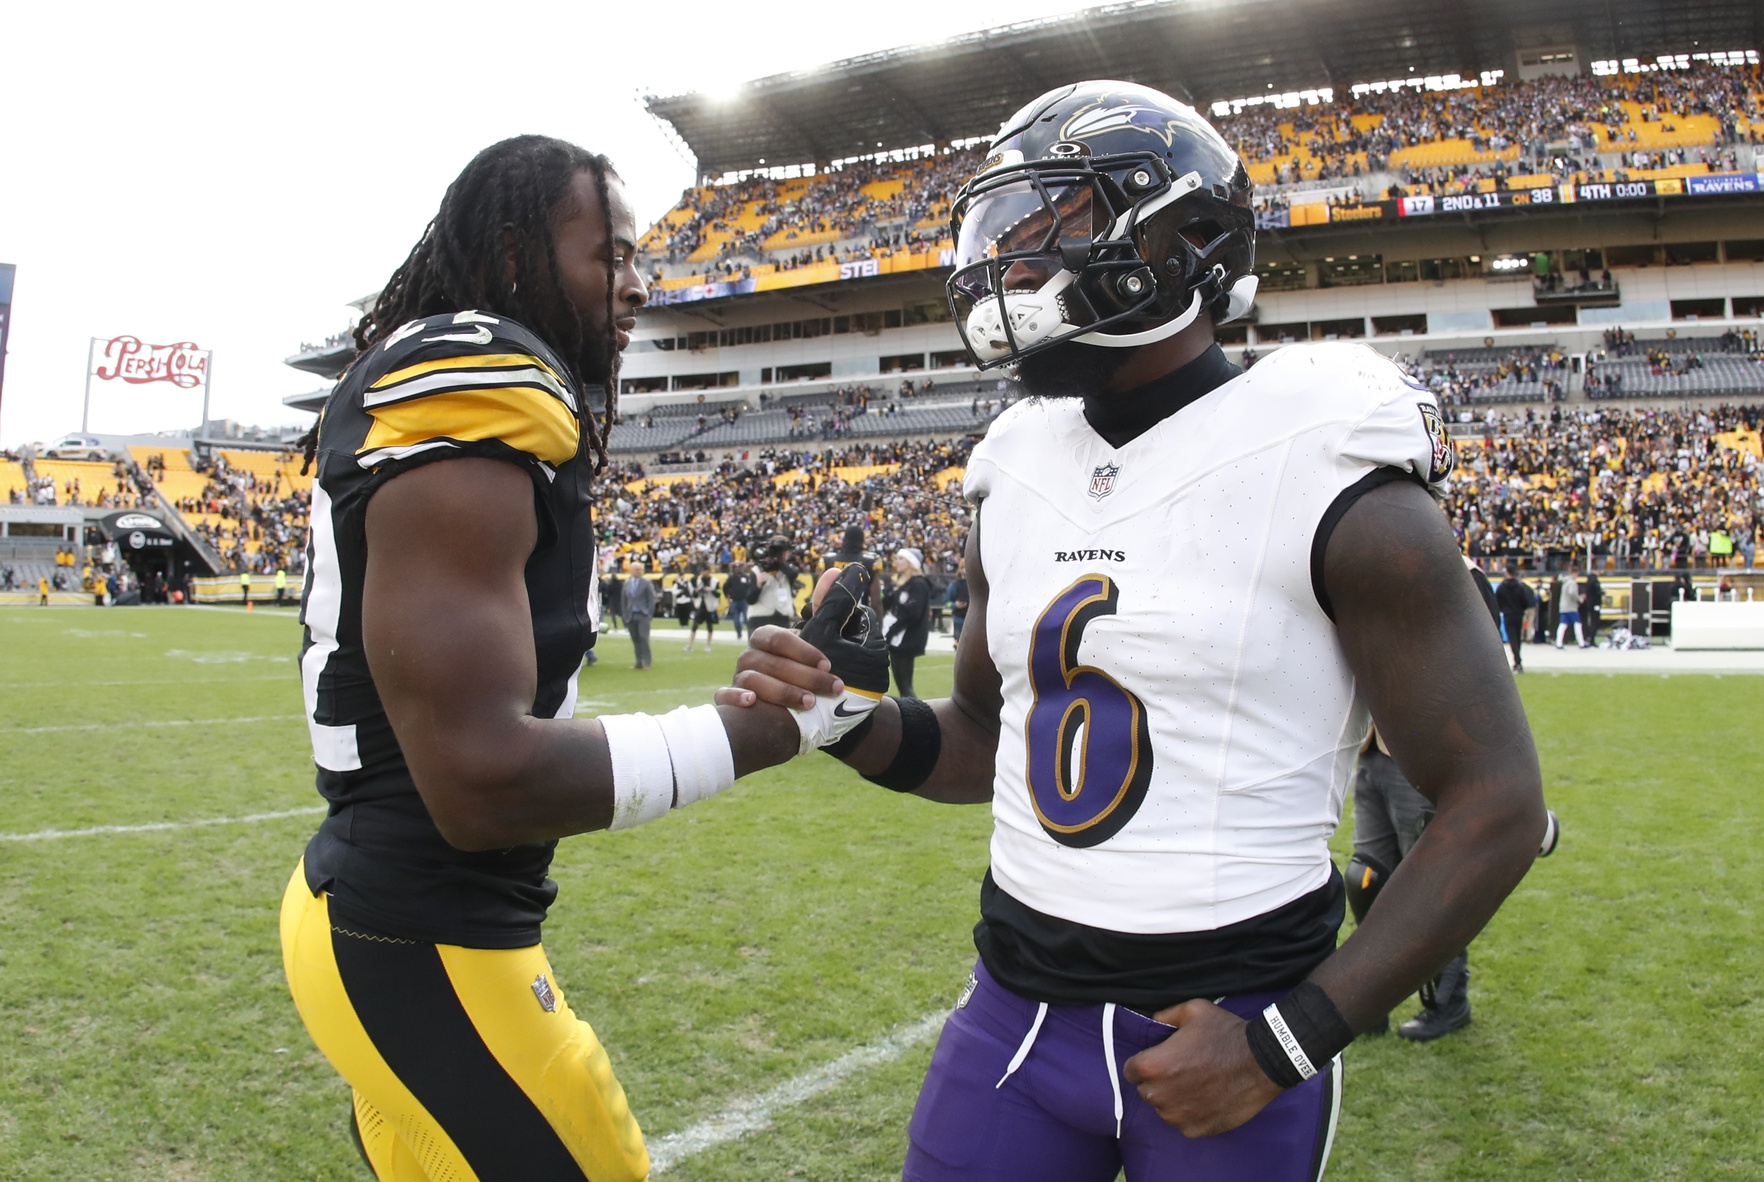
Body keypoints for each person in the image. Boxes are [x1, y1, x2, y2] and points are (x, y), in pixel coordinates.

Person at [724, 82, 1546, 1182]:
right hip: (1014, 1010)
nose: (1011, 270)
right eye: (1004, 237)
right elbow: (982, 736)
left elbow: (1497, 803)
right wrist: (844, 719)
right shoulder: (1013, 466)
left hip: (1230, 1016)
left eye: (1049, 228)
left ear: (1186, 240)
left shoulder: (1329, 461)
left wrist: (1282, 1043)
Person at [278, 135, 835, 1182]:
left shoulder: (493, 391)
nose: (635, 287)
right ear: (518, 248)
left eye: (638, 259)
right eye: (608, 256)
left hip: (398, 921)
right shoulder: (479, 379)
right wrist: (745, 736)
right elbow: (479, 786)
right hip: (422, 939)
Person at [884, 547, 931, 698]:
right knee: (902, 685)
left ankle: (916, 716)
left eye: (900, 558)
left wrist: (892, 631)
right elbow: (886, 603)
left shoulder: (918, 584)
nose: (896, 561)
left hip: (907, 639)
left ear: (911, 562)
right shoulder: (903, 583)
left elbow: (913, 613)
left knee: (905, 686)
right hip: (899, 639)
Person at [748, 534, 800, 631]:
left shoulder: (786, 570)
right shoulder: (757, 570)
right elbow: (750, 600)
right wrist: (758, 586)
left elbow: (793, 574)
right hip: (760, 618)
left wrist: (777, 560)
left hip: (782, 618)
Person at [1494, 563, 1537, 672]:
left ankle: (1517, 661)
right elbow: (1526, 602)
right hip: (1518, 614)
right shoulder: (1520, 587)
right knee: (1517, 637)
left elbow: (1497, 602)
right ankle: (1518, 660)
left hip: (1508, 615)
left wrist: (1503, 609)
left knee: (1512, 637)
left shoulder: (1501, 587)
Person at [623, 561, 657, 670]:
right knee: (635, 640)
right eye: (636, 569)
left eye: (640, 569)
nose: (638, 571)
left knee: (644, 638)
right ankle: (638, 662)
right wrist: (625, 615)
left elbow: (652, 600)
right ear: (631, 570)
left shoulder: (646, 583)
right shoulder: (627, 583)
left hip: (643, 615)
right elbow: (623, 601)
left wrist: (649, 614)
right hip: (631, 615)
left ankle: (647, 661)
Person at [685, 568, 720, 651]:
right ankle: (690, 644)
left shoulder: (715, 581)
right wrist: (698, 591)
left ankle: (708, 645)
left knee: (709, 625)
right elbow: (694, 594)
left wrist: (711, 590)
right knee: (695, 625)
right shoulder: (698, 581)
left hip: (710, 605)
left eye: (705, 571)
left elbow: (718, 593)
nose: (703, 573)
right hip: (700, 605)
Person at [1556, 565, 1587, 648]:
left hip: (1563, 606)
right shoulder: (1572, 582)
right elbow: (1572, 593)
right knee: (1578, 624)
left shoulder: (1565, 582)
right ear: (1575, 573)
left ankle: (1558, 643)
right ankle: (1581, 643)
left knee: (1563, 625)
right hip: (1571, 607)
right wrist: (1580, 598)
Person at [723, 561, 755, 639]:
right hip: (735, 601)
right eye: (736, 567)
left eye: (739, 567)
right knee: (736, 620)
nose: (737, 569)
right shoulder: (731, 578)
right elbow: (725, 587)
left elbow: (750, 587)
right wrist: (727, 595)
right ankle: (739, 632)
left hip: (744, 601)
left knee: (746, 618)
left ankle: (749, 634)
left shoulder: (745, 577)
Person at [948, 560, 970, 642]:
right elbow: (947, 602)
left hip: (973, 617)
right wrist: (955, 605)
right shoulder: (954, 585)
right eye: (963, 568)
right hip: (959, 617)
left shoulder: (977, 584)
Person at [1582, 568, 1603, 646]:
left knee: (1589, 621)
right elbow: (1598, 592)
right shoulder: (1594, 580)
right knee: (1595, 621)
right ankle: (1591, 638)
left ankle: (1587, 637)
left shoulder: (1588, 579)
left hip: (1589, 604)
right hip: (1595, 604)